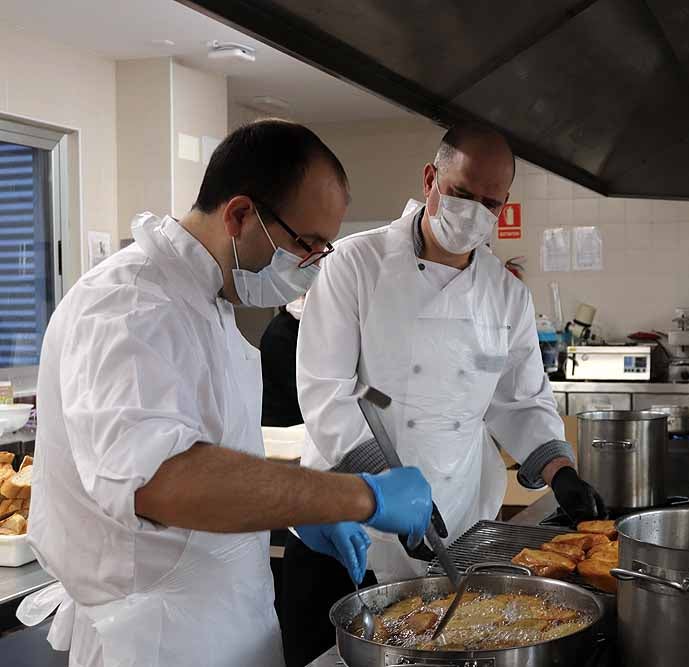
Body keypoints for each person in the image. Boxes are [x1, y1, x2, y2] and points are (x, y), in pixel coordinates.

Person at [17, 119, 433, 667]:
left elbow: (213, 451)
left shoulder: (207, 300)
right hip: (159, 644)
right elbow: (161, 479)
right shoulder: (129, 306)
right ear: (240, 215)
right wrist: (360, 497)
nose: (310, 266)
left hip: (225, 621)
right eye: (304, 244)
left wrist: (289, 513)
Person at [281, 123, 607, 665]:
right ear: (431, 178)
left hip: (454, 534)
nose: (473, 213)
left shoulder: (505, 295)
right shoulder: (354, 265)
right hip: (345, 527)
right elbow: (327, 391)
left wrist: (559, 472)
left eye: (490, 203)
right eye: (461, 193)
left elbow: (520, 399)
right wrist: (385, 487)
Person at [261, 295, 306, 427]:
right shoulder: (281, 332)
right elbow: (298, 390)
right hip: (281, 424)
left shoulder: (303, 328)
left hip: (299, 418)